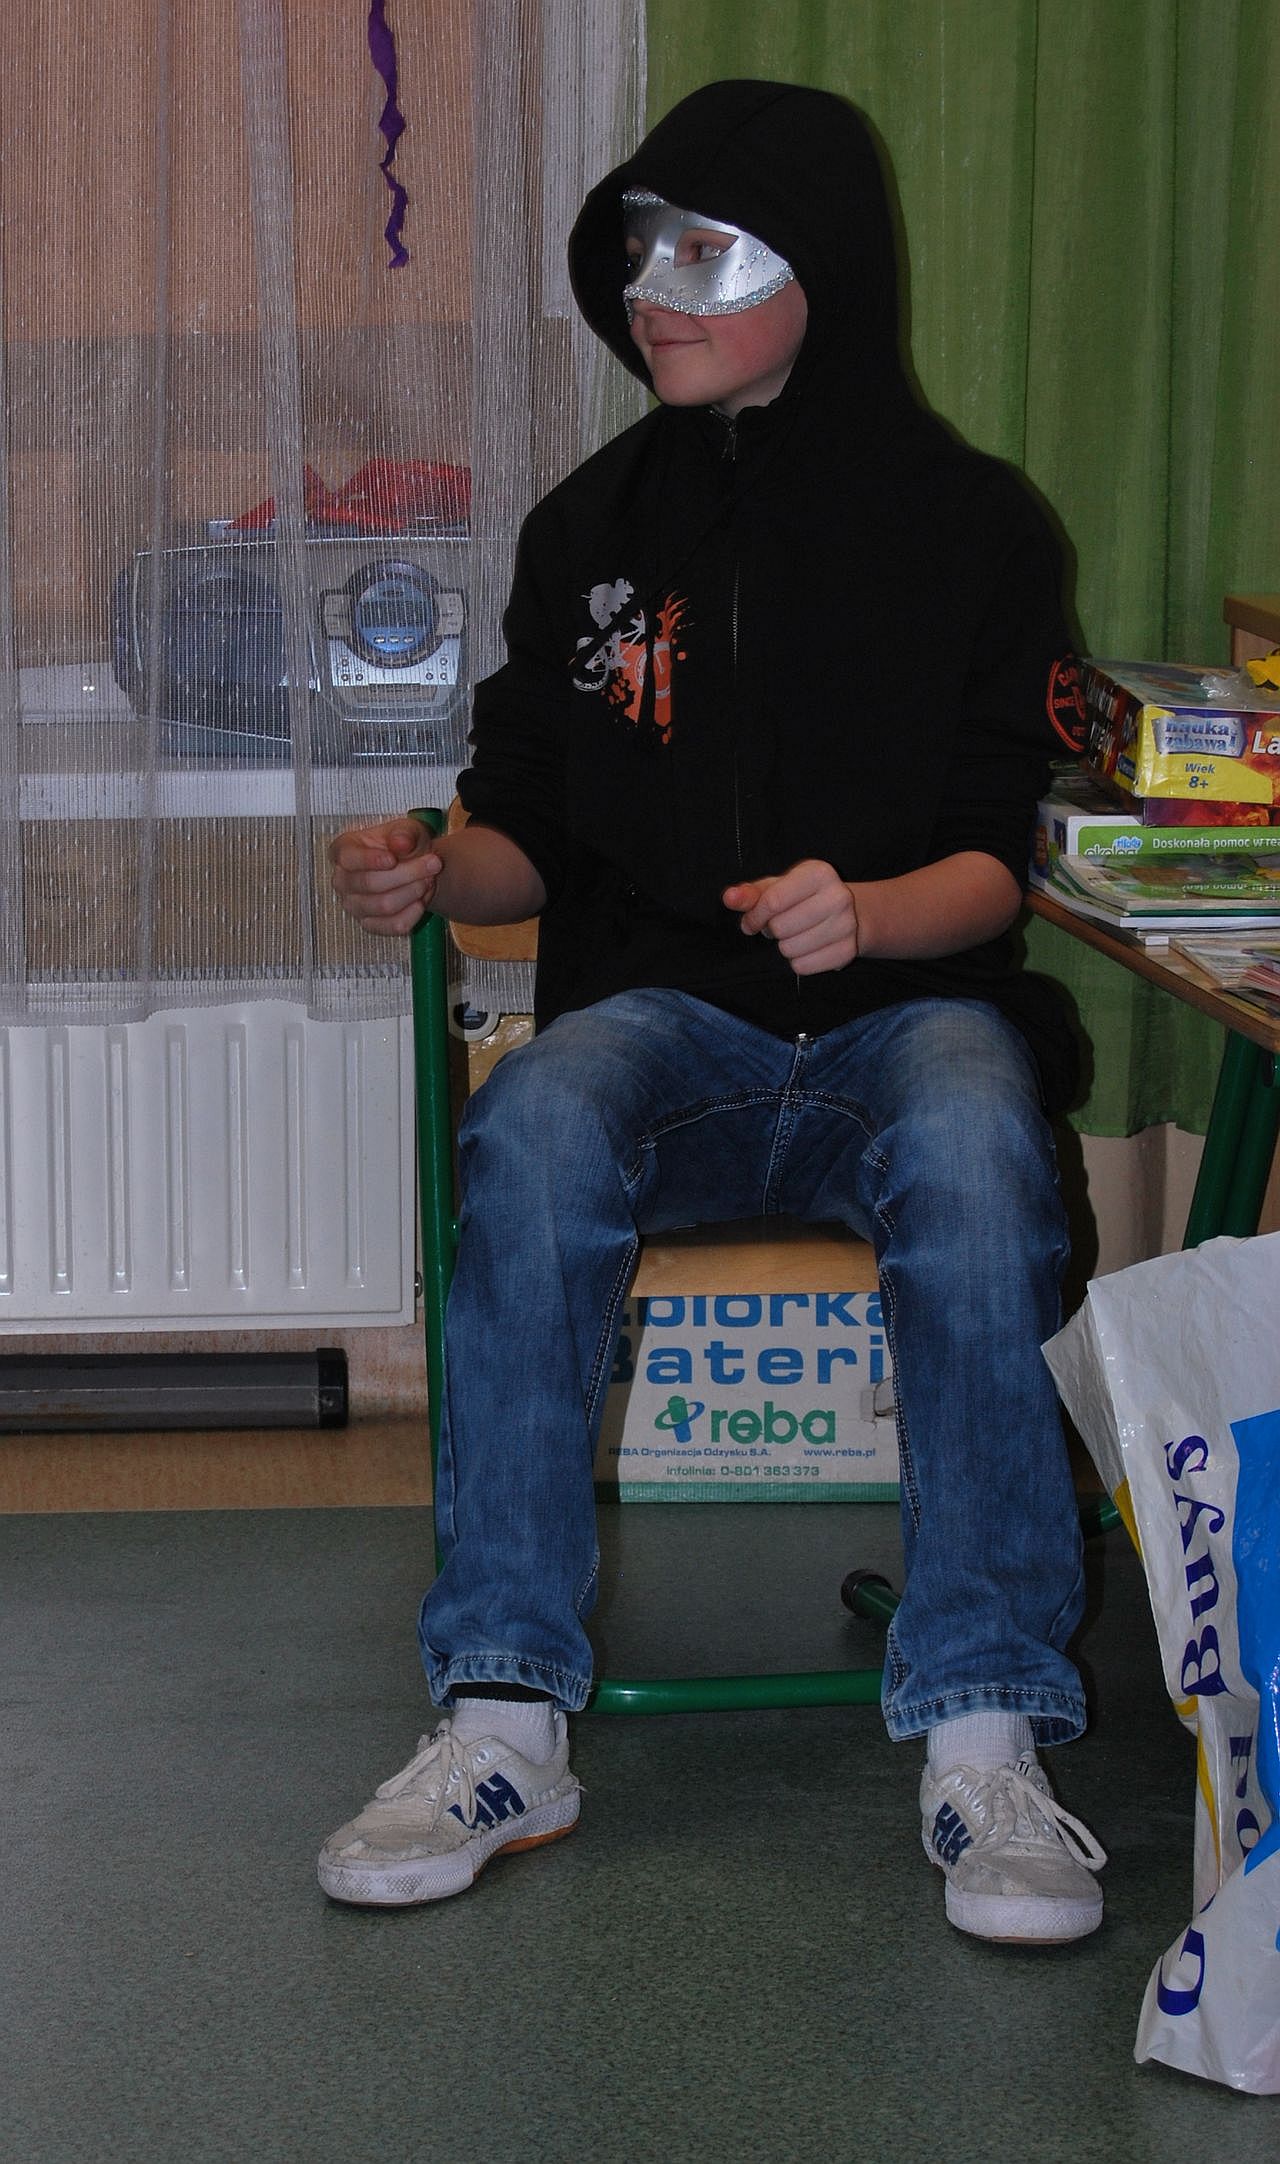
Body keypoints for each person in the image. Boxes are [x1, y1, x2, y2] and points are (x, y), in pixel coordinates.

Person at [323, 79, 1107, 1943]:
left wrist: (873, 913)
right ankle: (504, 1715)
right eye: (637, 250)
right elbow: (520, 828)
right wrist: (436, 868)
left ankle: (987, 1725)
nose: (652, 290)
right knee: (533, 1119)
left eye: (705, 251)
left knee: (978, 1138)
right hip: (660, 1023)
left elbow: (1000, 860)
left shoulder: (980, 529)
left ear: (820, 266)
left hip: (909, 1014)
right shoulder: (588, 529)